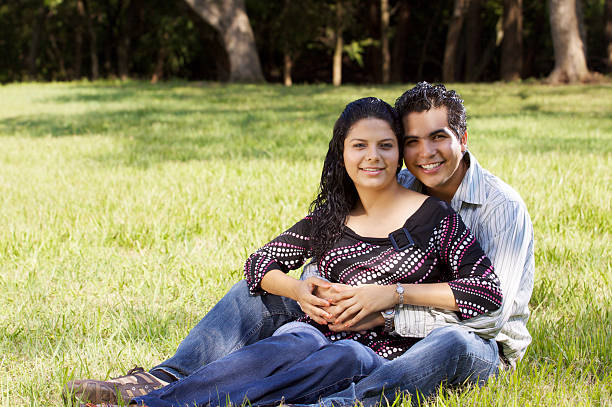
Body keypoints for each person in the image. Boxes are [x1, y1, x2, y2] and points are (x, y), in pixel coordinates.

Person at [66, 83, 533, 406]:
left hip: (470, 344)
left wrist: (387, 303)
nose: (422, 153)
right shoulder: (390, 185)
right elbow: (280, 260)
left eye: (438, 138)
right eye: (411, 141)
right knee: (264, 301)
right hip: (347, 328)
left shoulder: (490, 210)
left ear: (463, 139)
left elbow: (488, 311)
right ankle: (162, 383)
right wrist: (306, 289)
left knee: (397, 347)